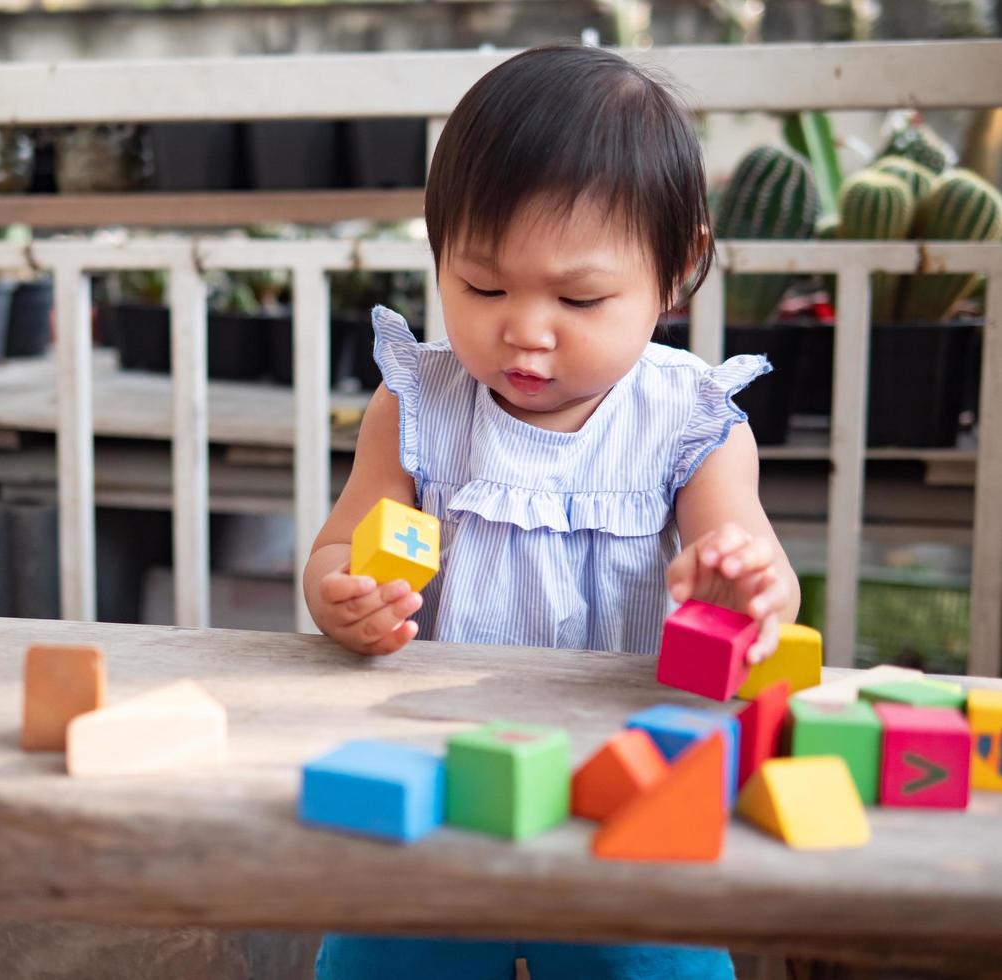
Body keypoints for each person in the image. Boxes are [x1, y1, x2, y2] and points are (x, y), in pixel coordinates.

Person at [301, 42, 801, 979]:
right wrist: (341, 592)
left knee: (652, 966)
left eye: (579, 297)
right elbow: (341, 546)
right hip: (438, 774)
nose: (522, 329)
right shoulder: (415, 406)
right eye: (481, 285)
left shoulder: (689, 421)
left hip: (632, 784)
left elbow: (755, 572)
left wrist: (740, 587)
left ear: (676, 269)